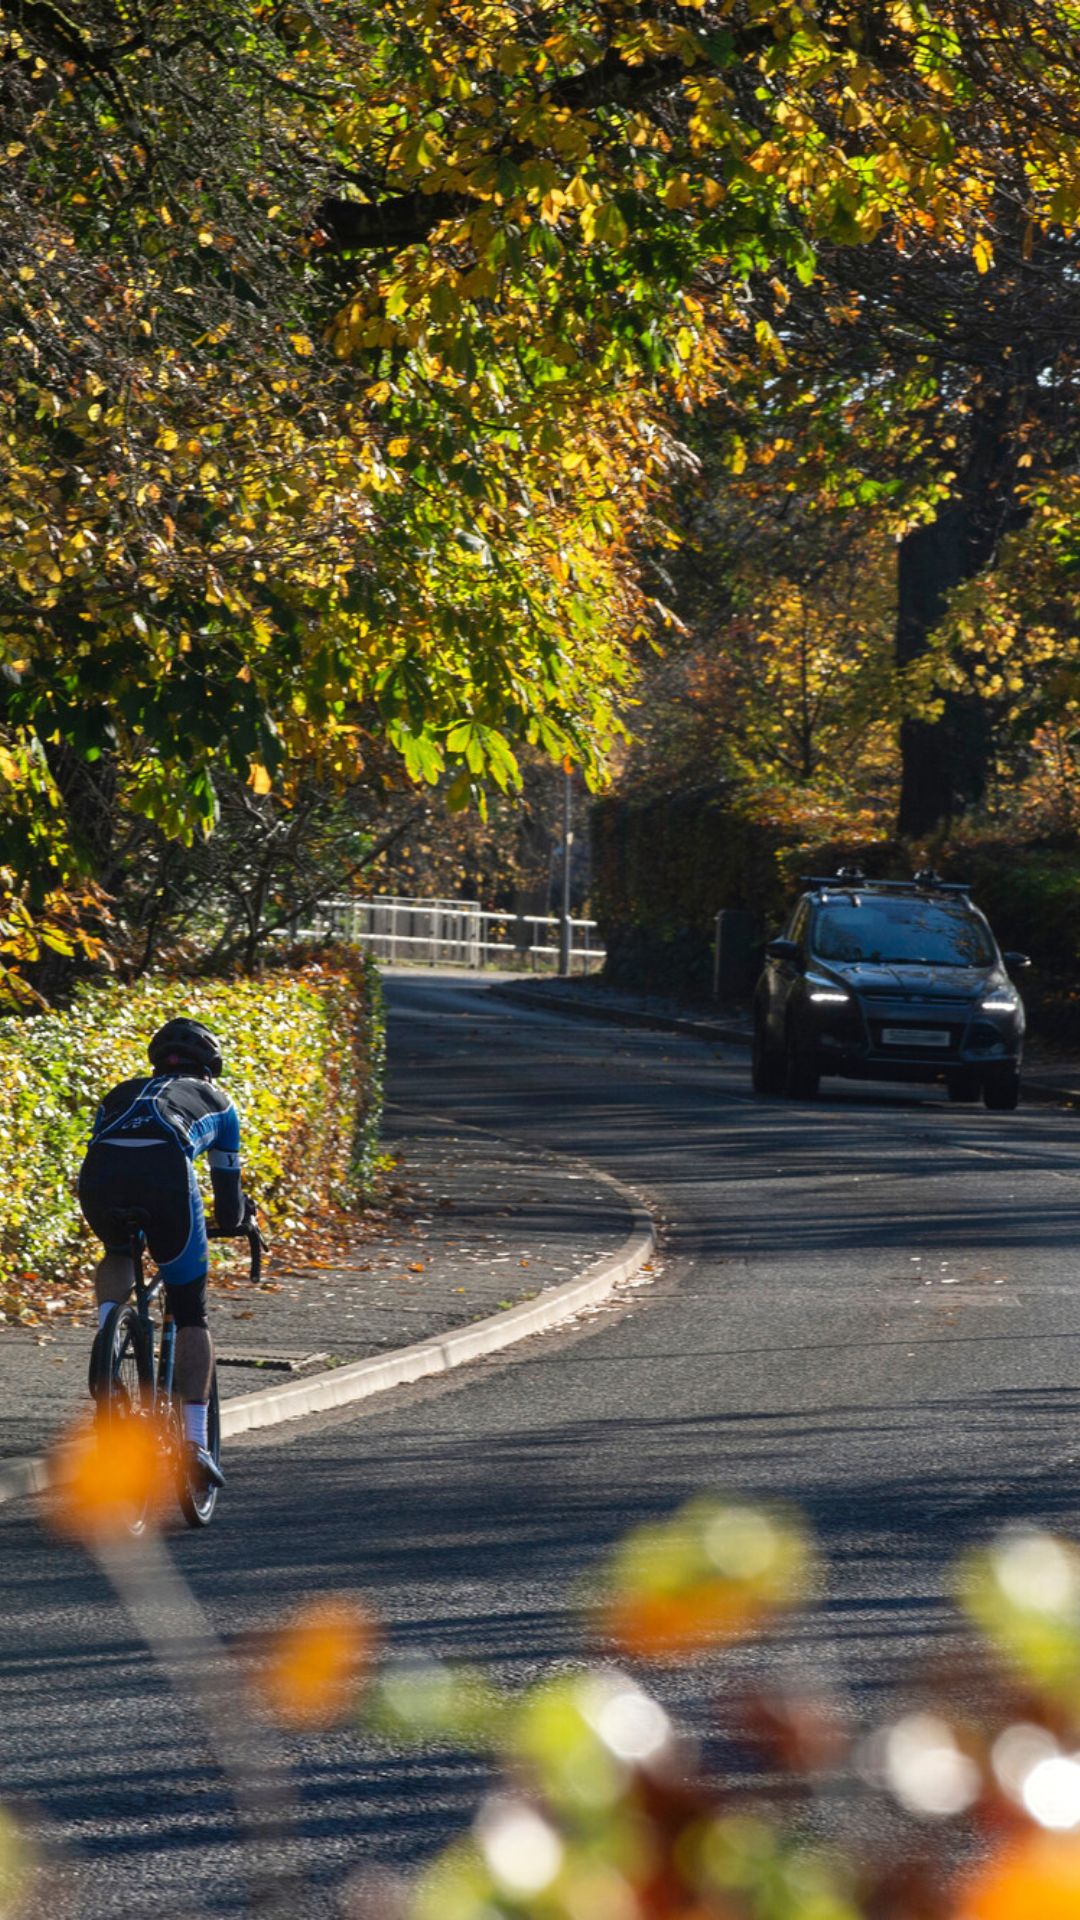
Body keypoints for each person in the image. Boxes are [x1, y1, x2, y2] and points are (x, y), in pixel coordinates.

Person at [78, 1016, 246, 1490]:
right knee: (190, 1310)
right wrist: (237, 1223)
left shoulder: (120, 1092)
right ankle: (194, 1443)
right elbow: (229, 1204)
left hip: (100, 1175)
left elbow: (104, 1144)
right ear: (209, 1067)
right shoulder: (219, 1101)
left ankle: (109, 1339)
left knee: (117, 1250)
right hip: (167, 1177)